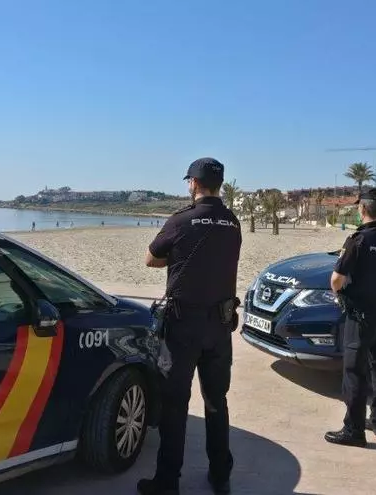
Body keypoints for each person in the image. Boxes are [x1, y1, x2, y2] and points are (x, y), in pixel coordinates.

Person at [139, 157, 242, 495]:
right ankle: (220, 475)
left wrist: (179, 257)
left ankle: (168, 481)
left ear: (194, 183)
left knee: (175, 404)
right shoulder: (233, 222)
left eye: (189, 181)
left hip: (184, 325)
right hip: (220, 325)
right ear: (219, 185)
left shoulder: (182, 219)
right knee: (216, 401)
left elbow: (151, 258)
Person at [325, 188, 376, 447]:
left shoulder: (357, 240)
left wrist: (340, 295)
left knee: (354, 371)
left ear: (362, 209)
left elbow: (336, 280)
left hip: (360, 315)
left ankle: (354, 430)